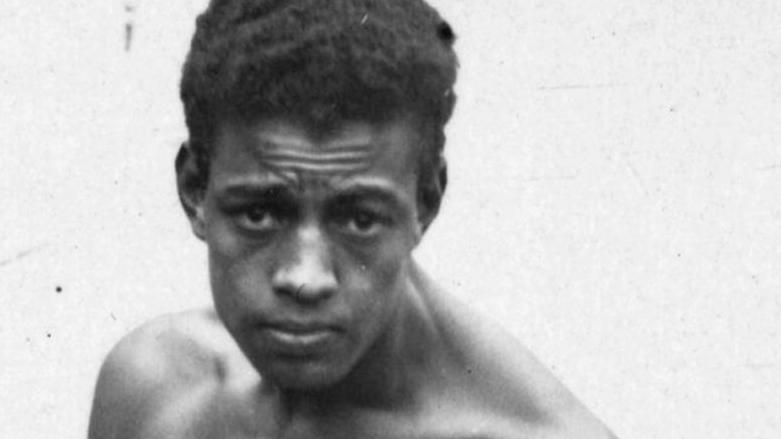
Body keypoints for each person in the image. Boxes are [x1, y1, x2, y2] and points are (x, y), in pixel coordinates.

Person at [88, 0, 616, 437]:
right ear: (194, 190)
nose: (305, 277)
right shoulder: (155, 388)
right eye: (259, 214)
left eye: (359, 220)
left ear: (425, 203)